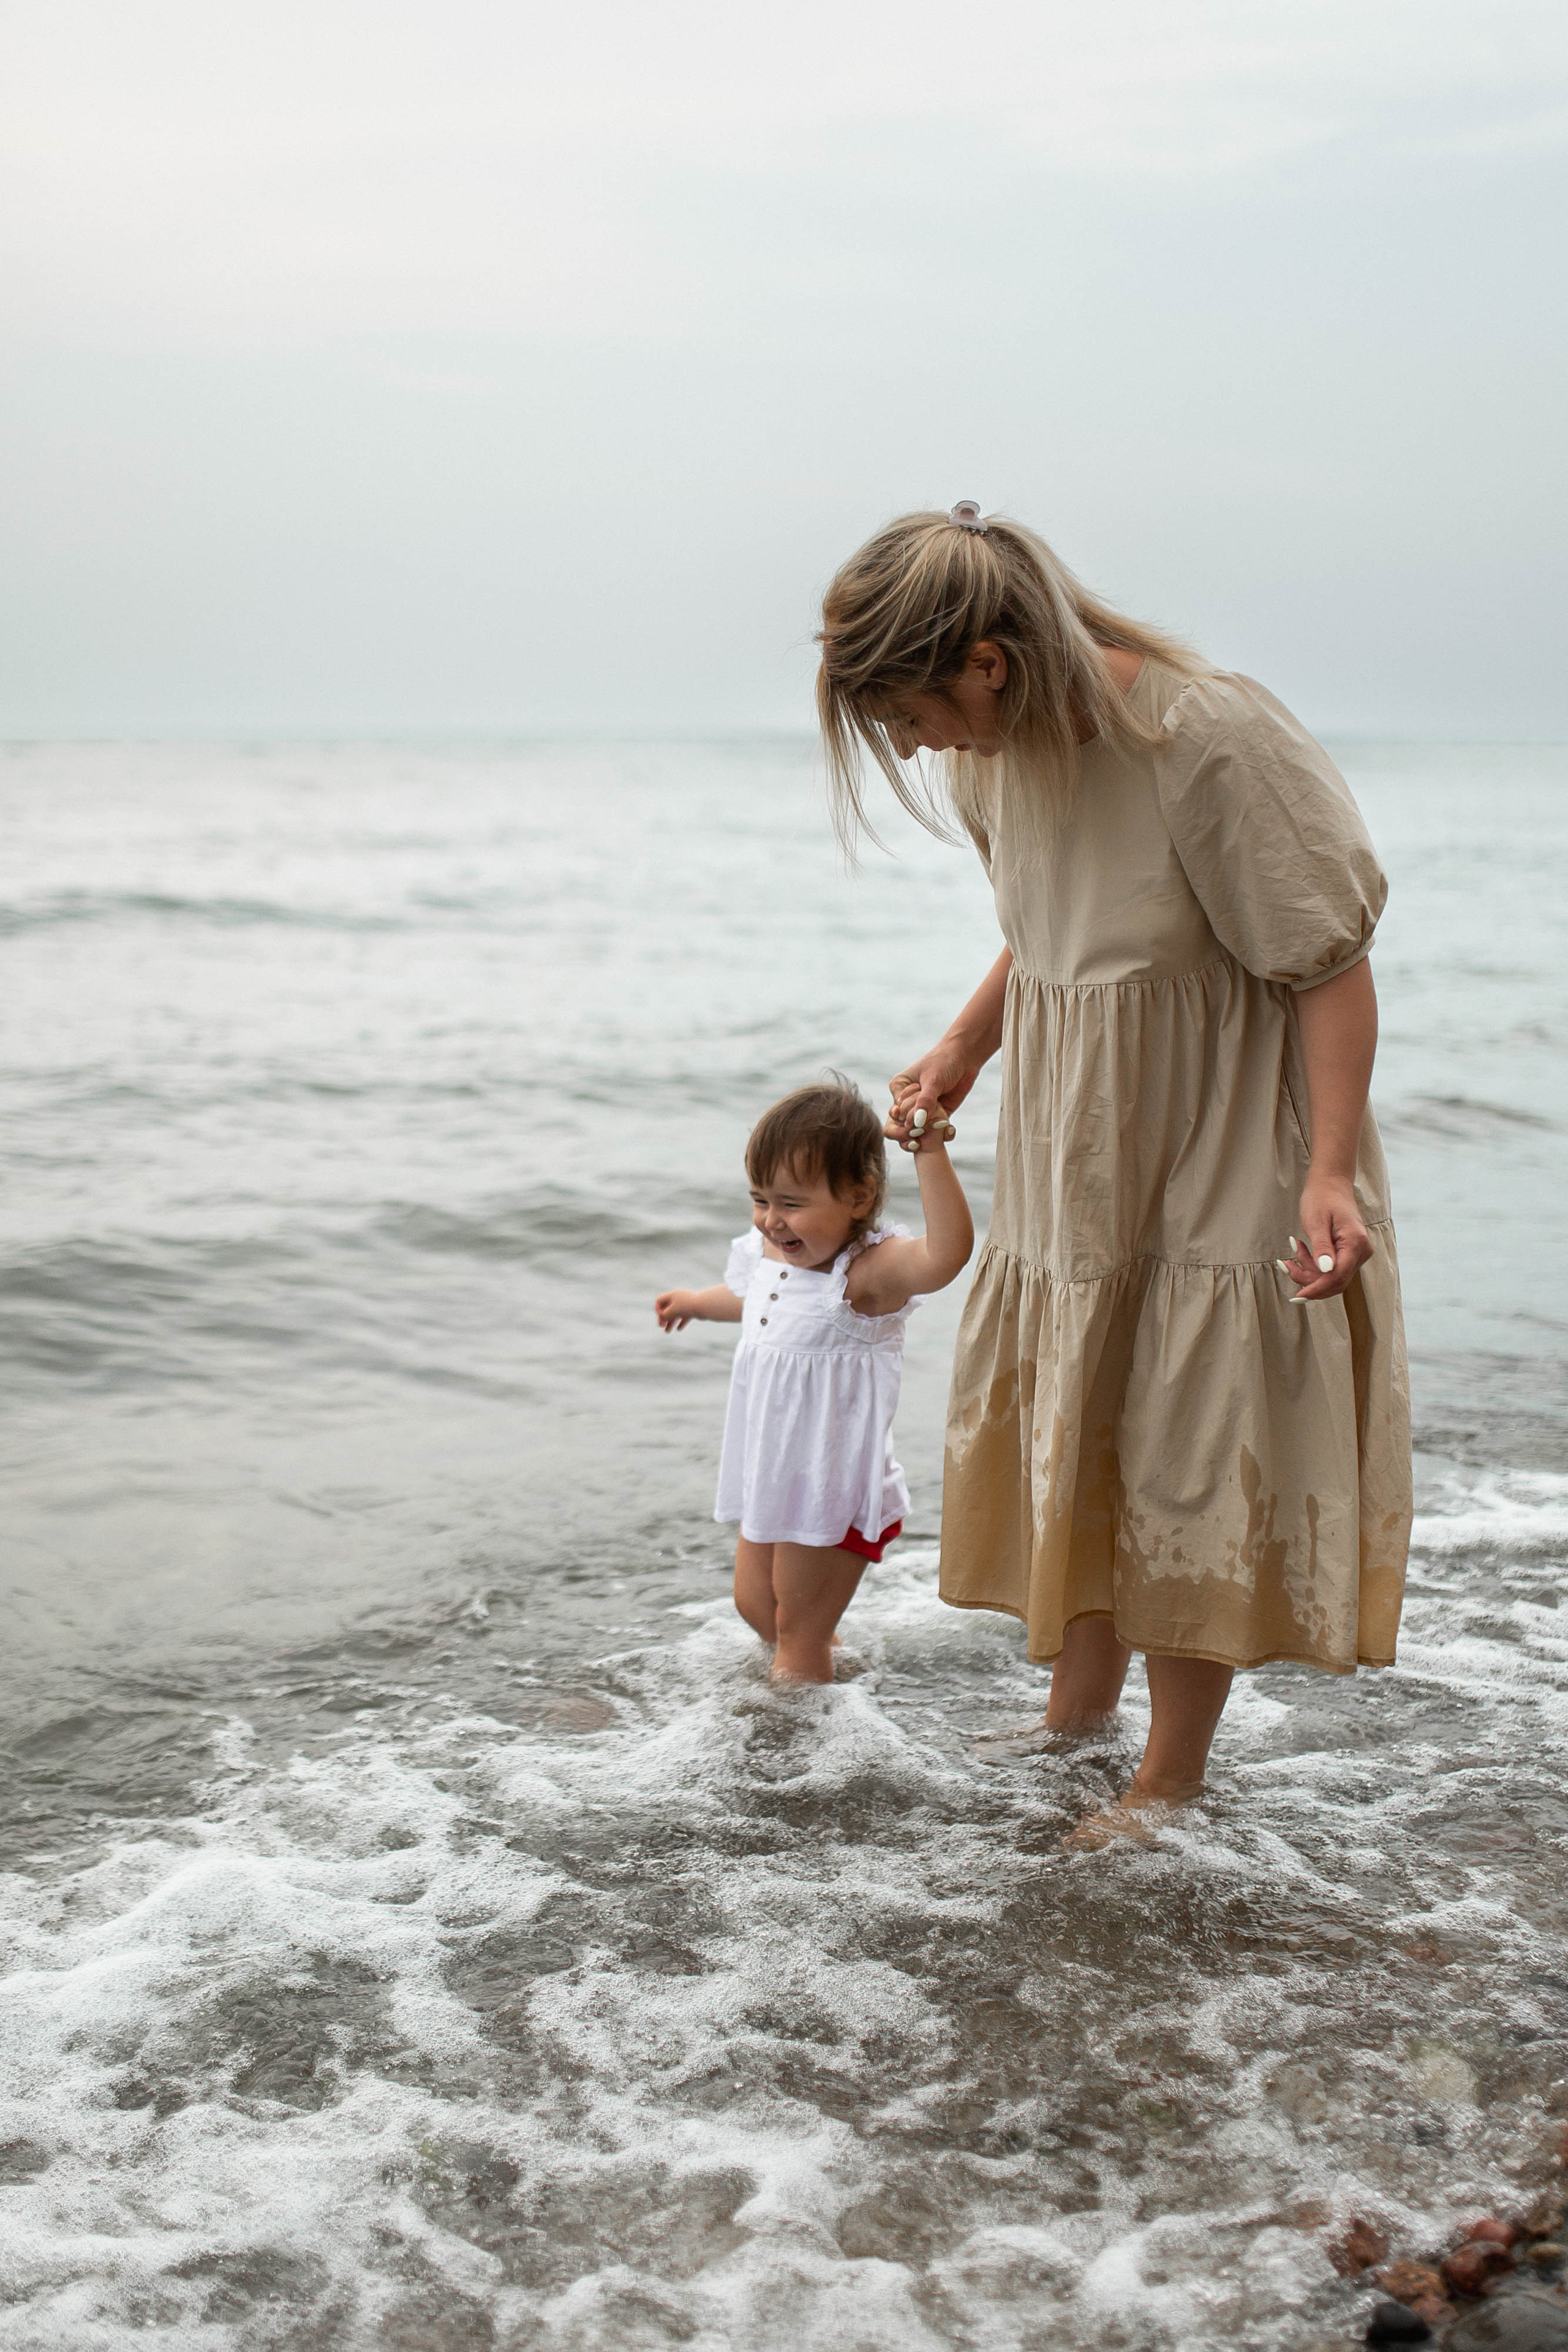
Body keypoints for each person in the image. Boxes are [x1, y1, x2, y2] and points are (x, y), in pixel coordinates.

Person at [815, 503, 1412, 1841]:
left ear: (986, 661)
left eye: (910, 713)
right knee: (1084, 1406)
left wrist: (1326, 1171)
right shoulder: (994, 759)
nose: (911, 747)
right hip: (1076, 1135)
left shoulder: (1206, 738)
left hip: (1214, 1135)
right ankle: (1072, 1716)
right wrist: (967, 1043)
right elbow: (1043, 931)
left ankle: (1170, 1778)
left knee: (1181, 1431)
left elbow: (1324, 960)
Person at [655, 1080, 973, 1683]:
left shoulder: (866, 1276)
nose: (772, 1221)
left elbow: (946, 1256)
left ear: (859, 1197)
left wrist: (927, 1151)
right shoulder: (770, 1255)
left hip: (829, 1487)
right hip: (771, 1473)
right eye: (760, 1200)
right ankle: (840, 1684)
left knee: (797, 1637)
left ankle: (802, 1760)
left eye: (791, 1203)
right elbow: (752, 1300)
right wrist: (697, 1302)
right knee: (758, 1609)